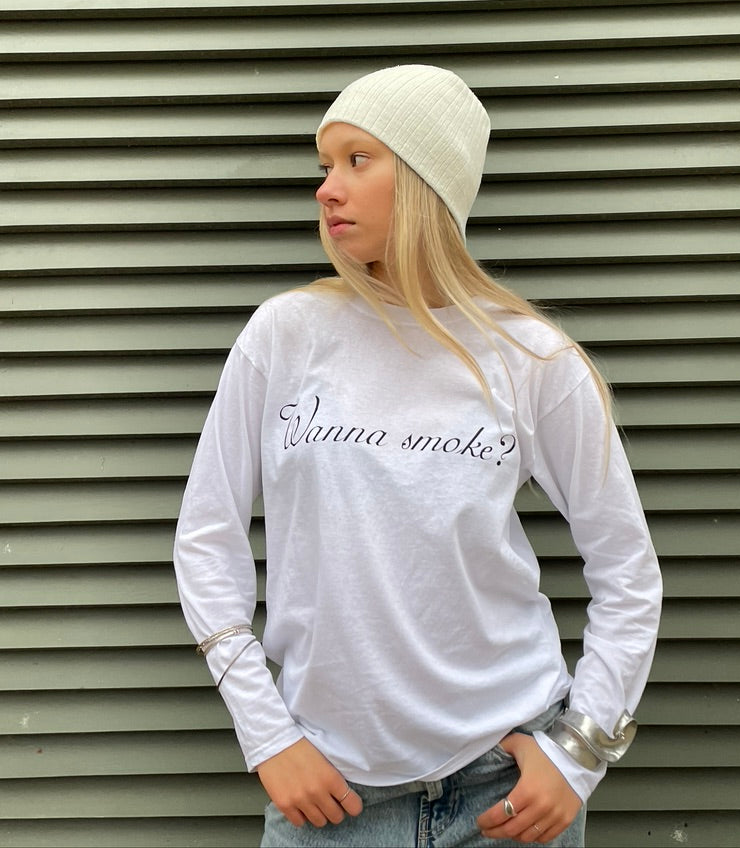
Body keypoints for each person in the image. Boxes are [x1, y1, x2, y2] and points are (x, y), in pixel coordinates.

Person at [173, 64, 663, 848]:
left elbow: (627, 571)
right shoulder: (285, 337)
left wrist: (580, 753)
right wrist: (267, 734)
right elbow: (206, 539)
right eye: (324, 165)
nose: (327, 189)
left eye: (357, 160)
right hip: (330, 797)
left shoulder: (531, 359)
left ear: (427, 179)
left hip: (506, 791)